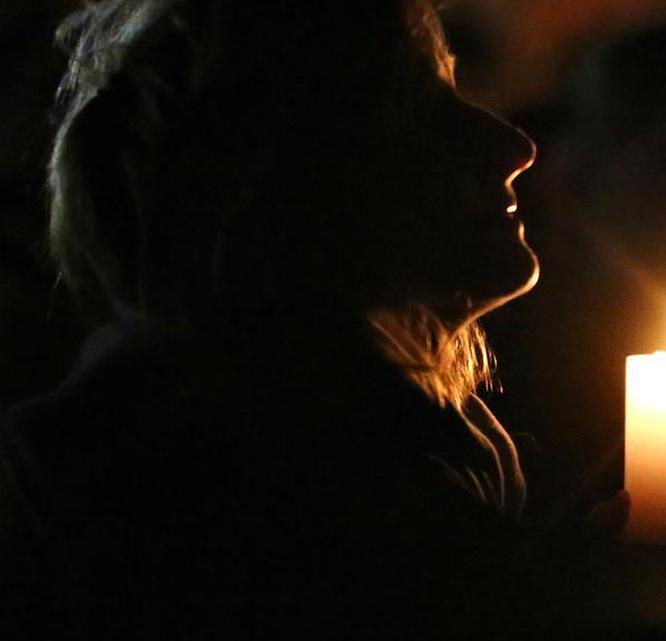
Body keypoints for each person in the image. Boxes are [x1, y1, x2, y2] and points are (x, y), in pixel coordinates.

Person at [0, 0, 588, 638]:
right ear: (283, 182)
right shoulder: (252, 513)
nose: (515, 145)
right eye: (419, 110)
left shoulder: (403, 461)